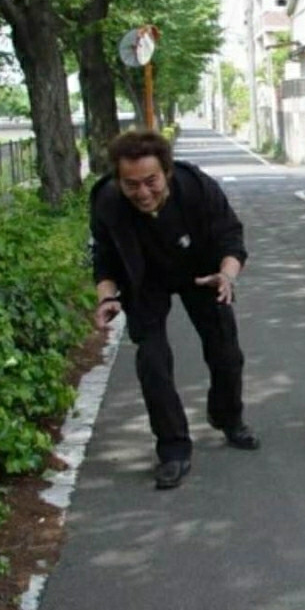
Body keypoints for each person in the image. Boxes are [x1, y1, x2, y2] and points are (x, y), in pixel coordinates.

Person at [90, 129, 260, 490]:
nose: (143, 193)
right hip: (144, 280)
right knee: (152, 363)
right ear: (119, 181)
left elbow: (232, 237)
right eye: (131, 184)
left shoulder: (197, 187)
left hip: (203, 273)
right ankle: (173, 449)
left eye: (150, 181)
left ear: (167, 172)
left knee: (226, 351)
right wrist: (107, 298)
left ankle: (228, 418)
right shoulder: (107, 200)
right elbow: (103, 259)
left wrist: (227, 277)